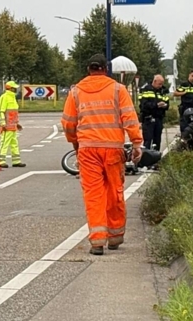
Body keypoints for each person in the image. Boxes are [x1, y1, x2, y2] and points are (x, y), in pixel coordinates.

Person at [61, 54, 143, 255]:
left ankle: (97, 241)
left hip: (88, 149)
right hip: (113, 149)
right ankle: (115, 237)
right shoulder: (118, 89)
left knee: (93, 194)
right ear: (106, 69)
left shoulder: (76, 92)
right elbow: (130, 118)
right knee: (114, 191)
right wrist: (136, 143)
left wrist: (75, 143)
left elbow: (69, 123)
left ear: (88, 69)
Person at [0, 80, 25, 168]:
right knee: (4, 143)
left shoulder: (13, 98)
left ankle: (16, 161)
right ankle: (1, 161)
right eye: (14, 88)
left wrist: (17, 123)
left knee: (14, 143)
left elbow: (13, 113)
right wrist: (3, 123)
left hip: (13, 126)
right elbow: (1, 111)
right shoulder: (4, 97)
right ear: (10, 88)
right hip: (7, 126)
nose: (16, 90)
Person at [138, 74, 170, 150]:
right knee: (148, 140)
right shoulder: (145, 90)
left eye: (162, 84)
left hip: (159, 119)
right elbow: (144, 105)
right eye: (159, 84)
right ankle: (146, 158)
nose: (161, 86)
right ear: (154, 81)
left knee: (157, 141)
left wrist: (165, 105)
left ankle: (156, 157)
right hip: (148, 118)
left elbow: (167, 104)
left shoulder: (162, 91)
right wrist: (156, 105)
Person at [174, 70, 193, 135]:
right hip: (185, 108)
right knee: (185, 126)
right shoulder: (184, 85)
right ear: (189, 75)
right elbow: (175, 93)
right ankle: (184, 138)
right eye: (192, 76)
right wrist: (184, 93)